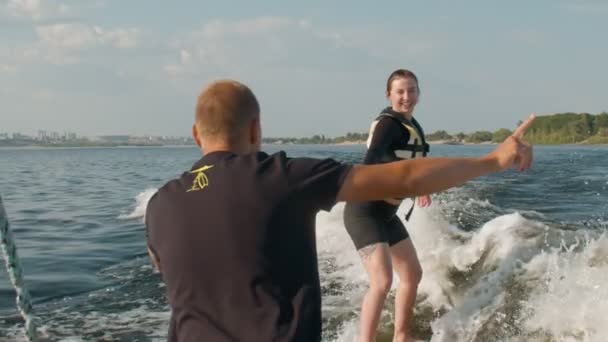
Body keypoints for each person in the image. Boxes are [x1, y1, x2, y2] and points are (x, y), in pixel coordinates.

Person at [145, 79, 534, 342]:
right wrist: (493, 160)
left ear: (195, 134)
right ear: (255, 130)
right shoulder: (283, 177)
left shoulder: (159, 206)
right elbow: (405, 177)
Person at [342, 68, 430, 342]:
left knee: (413, 274)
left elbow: (415, 165)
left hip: (387, 215)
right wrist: (408, 183)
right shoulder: (388, 124)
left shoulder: (414, 126)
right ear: (388, 94)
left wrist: (421, 187)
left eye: (412, 90)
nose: (407, 96)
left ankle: (401, 336)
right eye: (400, 91)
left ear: (419, 92)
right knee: (382, 281)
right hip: (364, 212)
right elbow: (373, 159)